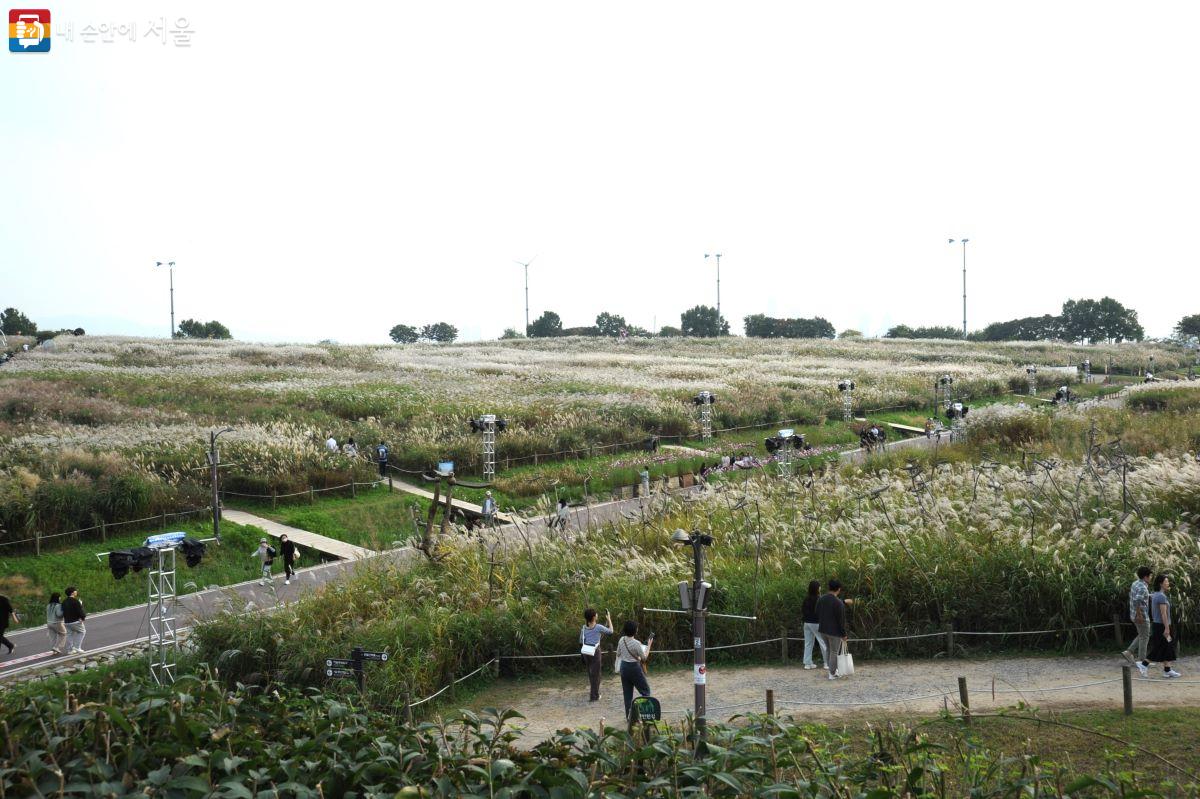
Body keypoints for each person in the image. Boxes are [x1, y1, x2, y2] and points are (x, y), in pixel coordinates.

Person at [1145, 574, 1181, 678]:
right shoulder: (1161, 596)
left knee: (1167, 647)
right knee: (1161, 647)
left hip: (1158, 625)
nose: (1168, 583)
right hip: (1162, 625)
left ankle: (1167, 670)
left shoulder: (1155, 594)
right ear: (1161, 583)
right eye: (1166, 581)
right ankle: (1144, 664)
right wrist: (1167, 628)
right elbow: (1163, 613)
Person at [616, 621, 654, 719]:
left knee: (627, 694)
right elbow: (644, 658)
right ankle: (645, 714)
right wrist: (649, 646)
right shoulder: (636, 643)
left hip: (623, 667)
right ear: (635, 631)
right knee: (645, 691)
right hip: (634, 668)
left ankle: (629, 717)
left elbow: (618, 653)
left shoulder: (621, 640)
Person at [1121, 566, 1153, 676]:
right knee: (1145, 636)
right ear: (1145, 576)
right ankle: (1142, 661)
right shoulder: (1143, 587)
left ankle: (1129, 652)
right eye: (1150, 576)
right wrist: (1139, 615)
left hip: (1133, 614)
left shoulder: (1135, 583)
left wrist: (1150, 595)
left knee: (1142, 634)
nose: (1151, 578)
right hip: (1141, 616)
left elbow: (1136, 597)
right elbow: (1137, 601)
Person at [815, 579, 848, 680]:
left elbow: (816, 612)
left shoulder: (821, 599)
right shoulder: (838, 603)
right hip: (834, 632)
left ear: (829, 588)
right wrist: (844, 634)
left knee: (829, 650)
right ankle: (832, 673)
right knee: (834, 651)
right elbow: (841, 621)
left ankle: (832, 670)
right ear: (838, 589)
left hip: (822, 630)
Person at [580, 608, 614, 702]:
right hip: (595, 652)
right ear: (594, 617)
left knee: (591, 674)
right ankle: (594, 696)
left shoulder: (583, 628)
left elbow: (580, 641)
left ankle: (594, 693)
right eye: (596, 614)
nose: (597, 615)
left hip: (586, 652)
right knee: (597, 675)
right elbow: (611, 631)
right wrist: (609, 619)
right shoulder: (598, 627)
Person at [801, 580, 829, 670]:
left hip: (806, 623)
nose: (820, 588)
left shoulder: (806, 599)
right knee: (823, 642)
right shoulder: (819, 599)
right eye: (819, 586)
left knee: (808, 643)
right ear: (817, 588)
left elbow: (803, 611)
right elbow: (822, 612)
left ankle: (807, 664)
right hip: (816, 623)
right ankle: (827, 663)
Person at [62, 586, 86, 654]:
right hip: (75, 621)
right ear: (72, 593)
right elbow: (79, 610)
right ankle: (77, 647)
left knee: (69, 635)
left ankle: (70, 650)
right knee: (82, 632)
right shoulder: (75, 601)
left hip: (66, 622)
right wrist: (83, 617)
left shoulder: (64, 601)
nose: (76, 592)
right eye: (75, 591)